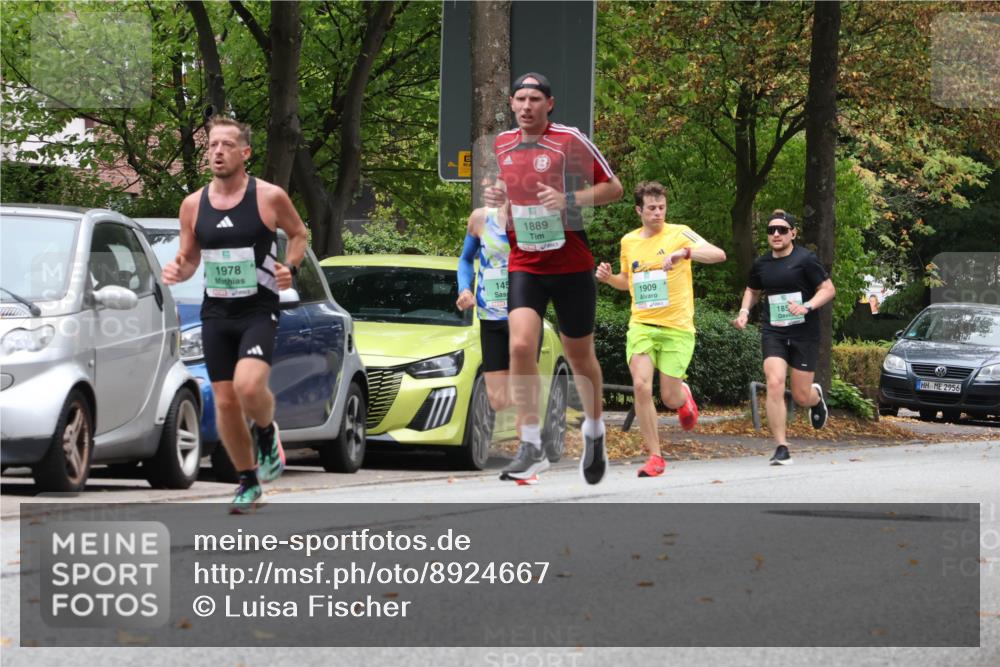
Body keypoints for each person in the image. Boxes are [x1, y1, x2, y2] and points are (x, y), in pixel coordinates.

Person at [161, 116, 309, 513]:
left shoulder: (269, 197)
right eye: (212, 145)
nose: (217, 152)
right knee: (224, 403)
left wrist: (289, 269)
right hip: (217, 312)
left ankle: (265, 431)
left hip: (258, 309)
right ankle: (248, 481)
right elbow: (190, 259)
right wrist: (179, 270)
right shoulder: (193, 205)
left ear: (245, 153)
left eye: (227, 145)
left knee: (248, 386)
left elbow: (299, 234)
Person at [484, 72, 624, 485]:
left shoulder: (569, 140)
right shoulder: (503, 143)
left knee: (580, 357)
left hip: (570, 262)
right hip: (525, 260)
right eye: (520, 99)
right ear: (511, 104)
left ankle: (595, 430)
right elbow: (508, 190)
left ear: (550, 104)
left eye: (534, 99)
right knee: (521, 342)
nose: (526, 107)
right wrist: (498, 197)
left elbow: (613, 188)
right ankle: (531, 444)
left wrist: (569, 199)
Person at [596, 181, 726, 477]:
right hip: (641, 324)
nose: (658, 213)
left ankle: (683, 396)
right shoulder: (629, 242)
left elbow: (718, 254)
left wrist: (685, 254)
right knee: (641, 386)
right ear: (638, 210)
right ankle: (655, 456)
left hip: (677, 327)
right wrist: (608, 279)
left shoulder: (680, 233)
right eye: (652, 208)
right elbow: (626, 281)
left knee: (669, 397)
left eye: (662, 207)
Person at [732, 209, 836, 466]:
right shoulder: (762, 264)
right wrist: (745, 311)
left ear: (793, 233)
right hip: (774, 331)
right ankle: (781, 446)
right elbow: (752, 290)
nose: (776, 234)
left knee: (801, 396)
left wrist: (808, 306)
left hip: (804, 332)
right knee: (775, 382)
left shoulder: (806, 260)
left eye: (781, 230)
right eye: (771, 230)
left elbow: (828, 289)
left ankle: (816, 398)